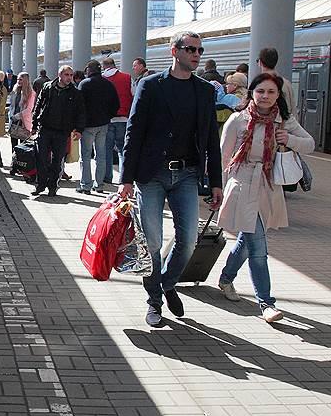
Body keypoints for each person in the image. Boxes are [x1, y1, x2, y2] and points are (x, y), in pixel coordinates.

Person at [119, 31, 223, 328]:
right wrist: (126, 178)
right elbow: (134, 131)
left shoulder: (205, 91)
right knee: (152, 241)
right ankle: (154, 300)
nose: (197, 54)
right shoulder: (151, 85)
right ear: (174, 51)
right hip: (151, 175)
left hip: (187, 175)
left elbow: (211, 140)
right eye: (191, 49)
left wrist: (216, 182)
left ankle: (167, 283)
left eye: (200, 50)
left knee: (188, 240)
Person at [216, 73, 315, 322]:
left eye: (271, 92)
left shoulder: (284, 121)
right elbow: (223, 158)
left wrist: (289, 139)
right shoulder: (238, 120)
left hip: (268, 187)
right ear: (252, 92)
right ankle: (266, 303)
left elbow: (310, 144)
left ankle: (226, 278)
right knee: (258, 248)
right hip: (241, 186)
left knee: (248, 240)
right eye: (261, 91)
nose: (265, 96)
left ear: (278, 95)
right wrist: (221, 191)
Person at [32, 65, 85, 196]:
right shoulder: (48, 87)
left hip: (62, 131)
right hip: (45, 129)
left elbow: (80, 112)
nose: (69, 78)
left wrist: (79, 129)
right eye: (67, 75)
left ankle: (52, 186)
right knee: (41, 158)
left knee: (57, 161)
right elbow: (38, 105)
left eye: (71, 75)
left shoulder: (75, 93)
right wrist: (34, 124)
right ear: (59, 75)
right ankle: (41, 184)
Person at [76, 60, 120, 194]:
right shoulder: (108, 84)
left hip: (88, 126)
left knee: (85, 156)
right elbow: (116, 104)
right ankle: (99, 184)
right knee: (101, 155)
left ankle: (86, 185)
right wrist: (108, 116)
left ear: (89, 70)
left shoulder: (84, 84)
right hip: (103, 125)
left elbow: (78, 106)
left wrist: (78, 124)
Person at [101, 57, 133, 185]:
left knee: (107, 150)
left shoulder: (102, 79)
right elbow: (134, 95)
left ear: (104, 66)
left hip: (107, 119)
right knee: (122, 150)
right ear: (114, 65)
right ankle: (123, 178)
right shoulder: (127, 77)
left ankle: (107, 177)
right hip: (124, 118)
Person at [256, 47, 297, 120]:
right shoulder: (287, 83)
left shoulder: (258, 84)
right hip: (286, 124)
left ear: (260, 62)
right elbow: (293, 109)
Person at [9, 71, 36, 147]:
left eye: (20, 79)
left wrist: (18, 116)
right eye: (17, 79)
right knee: (13, 145)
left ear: (25, 80)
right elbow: (12, 105)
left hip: (24, 122)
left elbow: (29, 109)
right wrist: (11, 115)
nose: (18, 81)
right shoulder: (15, 90)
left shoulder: (31, 93)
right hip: (13, 121)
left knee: (23, 147)